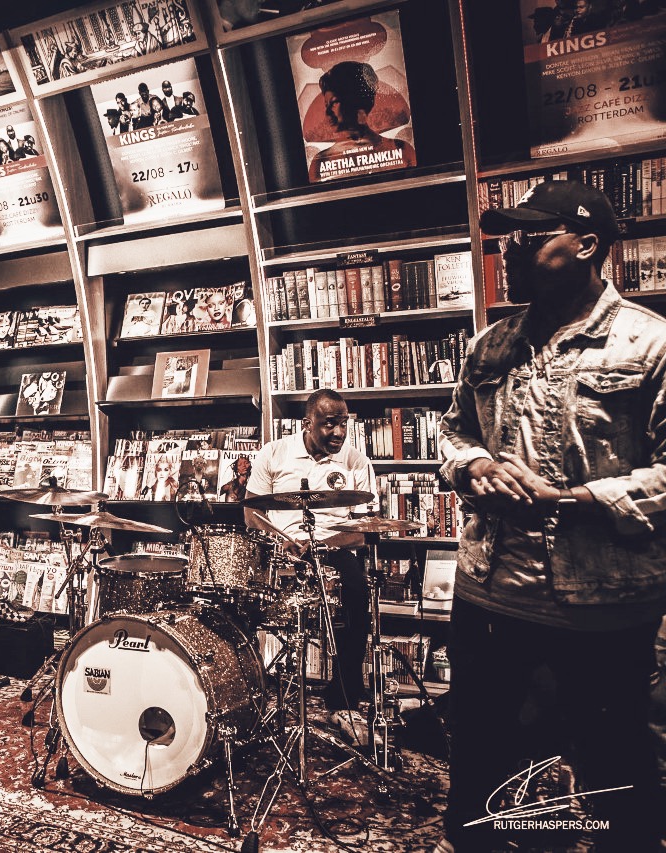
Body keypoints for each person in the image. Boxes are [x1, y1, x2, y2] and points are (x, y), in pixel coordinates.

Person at [436, 179, 666, 852]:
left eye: (529, 238)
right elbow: (452, 433)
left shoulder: (650, 344)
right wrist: (474, 466)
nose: (508, 251)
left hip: (603, 605)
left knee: (615, 769)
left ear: (587, 244)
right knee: (479, 756)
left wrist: (571, 500)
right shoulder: (490, 345)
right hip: (489, 594)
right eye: (507, 238)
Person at [244, 389, 375, 744]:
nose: (338, 432)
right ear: (307, 423)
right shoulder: (274, 453)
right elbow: (252, 511)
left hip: (332, 548)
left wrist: (323, 544)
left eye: (343, 424)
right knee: (237, 595)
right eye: (330, 424)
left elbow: (365, 530)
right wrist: (278, 543)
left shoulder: (357, 462)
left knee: (357, 593)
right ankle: (246, 688)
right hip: (279, 548)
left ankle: (344, 701)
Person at [308, 61, 416, 183]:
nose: (327, 112)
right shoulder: (320, 163)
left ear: (354, 102)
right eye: (326, 105)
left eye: (334, 103)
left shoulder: (402, 151)